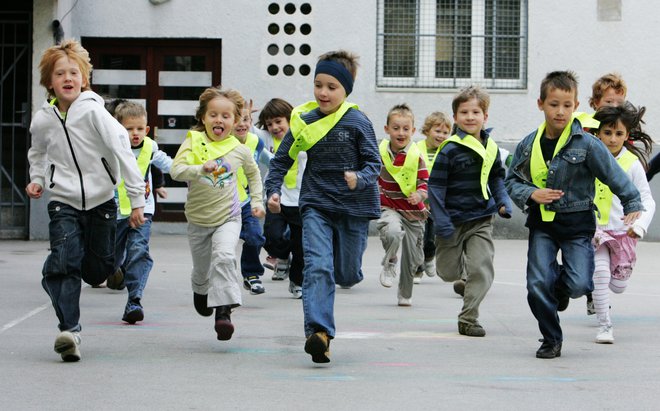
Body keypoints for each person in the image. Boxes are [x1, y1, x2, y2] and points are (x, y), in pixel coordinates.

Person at [505, 71, 643, 359]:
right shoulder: (528, 144)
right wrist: (531, 193)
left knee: (580, 283)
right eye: (554, 104)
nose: (560, 111)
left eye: (567, 105)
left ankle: (560, 287)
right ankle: (551, 338)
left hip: (578, 224)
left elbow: (613, 175)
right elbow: (512, 181)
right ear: (540, 104)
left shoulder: (588, 144)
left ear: (576, 105)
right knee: (535, 284)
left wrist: (632, 202)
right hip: (542, 224)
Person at [26, 40, 146, 362]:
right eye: (60, 73)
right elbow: (37, 152)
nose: (68, 78)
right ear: (49, 81)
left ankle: (112, 268)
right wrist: (37, 179)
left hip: (102, 201)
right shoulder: (43, 119)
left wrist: (136, 200)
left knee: (95, 271)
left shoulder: (94, 111)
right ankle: (70, 331)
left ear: (84, 78)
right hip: (62, 200)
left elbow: (122, 149)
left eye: (74, 72)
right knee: (64, 263)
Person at [264, 50, 380, 363]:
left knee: (345, 274)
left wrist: (359, 177)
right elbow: (282, 159)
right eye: (318, 85)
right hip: (315, 202)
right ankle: (319, 333)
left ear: (346, 89)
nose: (323, 92)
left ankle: (349, 274)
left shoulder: (357, 122)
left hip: (353, 207)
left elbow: (374, 163)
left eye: (331, 86)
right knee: (317, 266)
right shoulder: (304, 121)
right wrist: (272, 191)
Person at [170, 87, 265, 341]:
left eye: (226, 116)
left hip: (228, 217)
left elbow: (254, 175)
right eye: (213, 115)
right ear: (203, 118)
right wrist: (200, 168)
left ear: (234, 122)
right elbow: (176, 171)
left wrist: (257, 201)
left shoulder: (239, 149)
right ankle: (200, 290)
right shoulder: (193, 141)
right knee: (202, 269)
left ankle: (223, 312)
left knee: (224, 256)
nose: (219, 120)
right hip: (198, 219)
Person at [428, 86, 512, 338]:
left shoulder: (492, 147)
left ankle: (468, 318)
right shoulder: (449, 149)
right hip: (452, 221)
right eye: (464, 112)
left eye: (476, 111)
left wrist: (503, 202)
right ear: (455, 117)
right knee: (448, 273)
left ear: (485, 116)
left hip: (481, 219)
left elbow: (497, 178)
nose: (470, 117)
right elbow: (435, 187)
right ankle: (462, 272)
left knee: (482, 269)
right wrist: (441, 221)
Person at [590, 103, 655, 343]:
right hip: (595, 229)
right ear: (598, 133)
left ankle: (611, 286)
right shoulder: (590, 157)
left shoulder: (632, 164)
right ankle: (605, 326)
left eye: (619, 133)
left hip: (623, 232)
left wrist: (639, 225)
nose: (612, 138)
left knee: (617, 285)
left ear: (627, 135)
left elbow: (647, 199)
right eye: (607, 133)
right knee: (600, 274)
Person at [105, 100, 173, 324]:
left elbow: (168, 164)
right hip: (113, 212)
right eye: (129, 128)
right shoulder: (110, 147)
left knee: (138, 250)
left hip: (143, 211)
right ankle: (116, 270)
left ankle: (134, 300)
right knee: (109, 258)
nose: (135, 134)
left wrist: (195, 172)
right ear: (117, 127)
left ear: (147, 129)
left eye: (139, 129)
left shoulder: (150, 147)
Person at [377, 104, 429, 306]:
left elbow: (425, 183)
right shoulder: (379, 152)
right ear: (387, 129)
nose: (401, 133)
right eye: (396, 128)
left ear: (413, 131)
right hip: (389, 207)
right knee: (392, 231)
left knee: (413, 260)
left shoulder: (417, 156)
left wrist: (420, 194)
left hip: (413, 214)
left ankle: (405, 294)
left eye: (406, 129)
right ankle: (390, 261)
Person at [584, 73, 627, 314]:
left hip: (613, 204)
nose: (614, 107)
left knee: (614, 269)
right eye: (609, 102)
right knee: (592, 255)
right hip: (588, 200)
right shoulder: (588, 129)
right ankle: (594, 294)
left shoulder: (621, 129)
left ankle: (597, 287)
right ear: (596, 103)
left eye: (619, 103)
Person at [258, 98, 307, 298]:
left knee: (301, 247)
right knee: (271, 236)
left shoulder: (303, 136)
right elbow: (246, 132)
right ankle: (282, 256)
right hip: (276, 197)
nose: (274, 127)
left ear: (289, 119)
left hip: (301, 200)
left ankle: (296, 281)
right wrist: (241, 115)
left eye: (279, 121)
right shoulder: (267, 139)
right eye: (270, 124)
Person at [233, 100, 270, 295]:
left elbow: (267, 159)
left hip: (248, 201)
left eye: (246, 119)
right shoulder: (220, 143)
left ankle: (252, 274)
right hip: (225, 202)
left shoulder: (255, 141)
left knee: (255, 237)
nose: (242, 124)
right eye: (237, 119)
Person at [414, 111, 452, 284]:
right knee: (418, 237)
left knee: (433, 237)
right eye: (437, 131)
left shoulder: (447, 151)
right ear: (427, 130)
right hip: (419, 202)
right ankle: (417, 269)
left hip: (438, 203)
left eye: (445, 133)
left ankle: (429, 257)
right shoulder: (416, 149)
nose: (441, 136)